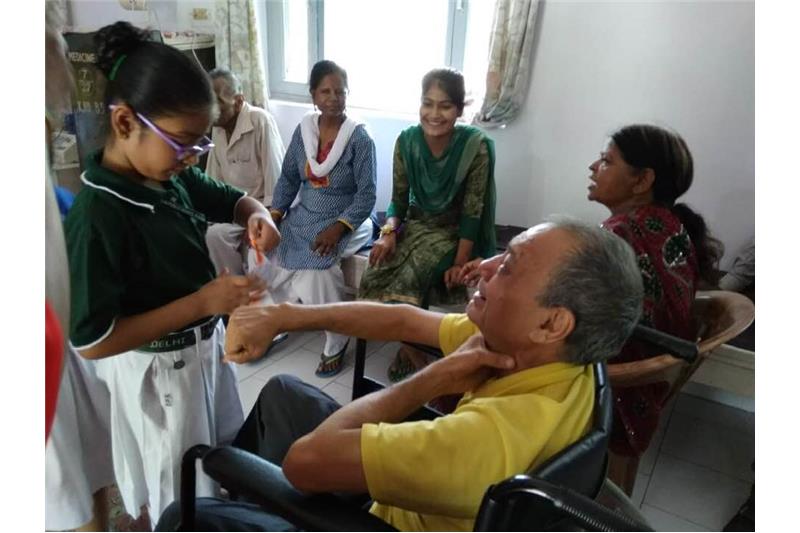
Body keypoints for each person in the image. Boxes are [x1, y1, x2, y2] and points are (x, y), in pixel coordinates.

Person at [155, 219, 645, 532]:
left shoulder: (487, 441)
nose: (485, 267)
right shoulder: (554, 359)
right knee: (283, 391)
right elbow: (403, 321)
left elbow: (307, 462)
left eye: (510, 267)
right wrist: (285, 316)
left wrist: (432, 379)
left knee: (184, 515)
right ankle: (257, 504)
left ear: (551, 322)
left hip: (383, 523)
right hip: (427, 489)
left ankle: (256, 507)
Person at [63, 21, 280, 527]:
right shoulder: (100, 214)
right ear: (123, 124)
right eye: (183, 143)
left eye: (201, 145)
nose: (191, 158)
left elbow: (230, 199)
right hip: (159, 377)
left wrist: (257, 215)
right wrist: (203, 303)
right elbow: (92, 341)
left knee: (212, 464)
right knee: (176, 489)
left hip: (201, 354)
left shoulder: (167, 175)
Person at [585, 124, 723, 485]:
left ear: (642, 180)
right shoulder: (672, 226)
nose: (592, 167)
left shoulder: (616, 236)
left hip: (615, 383)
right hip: (649, 380)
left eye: (606, 161)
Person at [358, 67, 496, 383]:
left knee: (414, 272)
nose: (434, 114)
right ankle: (412, 348)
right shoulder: (406, 141)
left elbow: (472, 213)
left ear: (460, 110)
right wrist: (388, 233)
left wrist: (460, 263)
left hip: (454, 232)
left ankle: (420, 355)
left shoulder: (476, 147)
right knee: (376, 267)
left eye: (445, 106)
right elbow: (398, 202)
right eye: (427, 103)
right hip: (416, 223)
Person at [255, 59, 377, 378]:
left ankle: (337, 338)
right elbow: (288, 179)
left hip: (348, 218)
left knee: (316, 268)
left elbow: (367, 195)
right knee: (273, 255)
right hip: (306, 213)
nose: (334, 97)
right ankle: (277, 322)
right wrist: (276, 213)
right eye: (326, 91)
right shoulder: (304, 131)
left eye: (340, 91)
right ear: (313, 96)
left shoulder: (360, 139)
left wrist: (338, 229)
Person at [45, 4, 116, 530]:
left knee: (91, 475)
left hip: (67, 351)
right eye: (61, 53)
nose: (70, 76)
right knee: (64, 497)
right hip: (52, 352)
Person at [204, 68, 286, 277]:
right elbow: (213, 182)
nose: (210, 109)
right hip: (233, 212)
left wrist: (268, 220)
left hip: (264, 210)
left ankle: (249, 297)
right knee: (212, 234)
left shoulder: (260, 121)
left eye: (217, 102)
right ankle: (234, 294)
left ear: (238, 101)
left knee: (255, 250)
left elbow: (276, 180)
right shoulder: (218, 127)